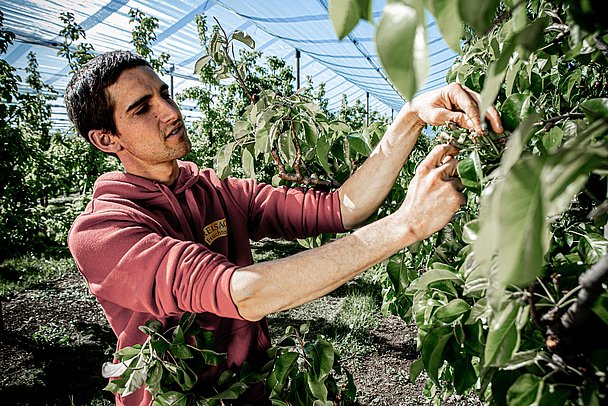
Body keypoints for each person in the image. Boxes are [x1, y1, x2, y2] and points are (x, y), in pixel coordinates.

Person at [65, 50, 502, 405]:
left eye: (164, 94)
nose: (169, 111)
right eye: (143, 108)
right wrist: (407, 224)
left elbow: (341, 207)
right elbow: (245, 292)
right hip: (175, 398)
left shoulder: (215, 190)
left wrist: (411, 117)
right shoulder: (102, 231)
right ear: (107, 139)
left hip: (253, 388)